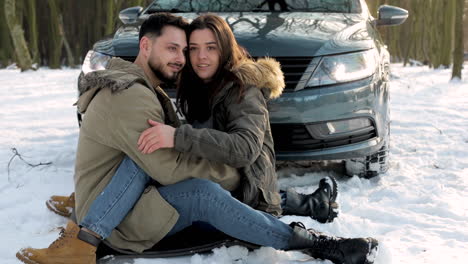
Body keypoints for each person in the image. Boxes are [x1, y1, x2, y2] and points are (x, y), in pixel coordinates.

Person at [17, 13, 378, 264]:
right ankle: (314, 227)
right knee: (184, 179)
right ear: (146, 46)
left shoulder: (239, 88)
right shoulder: (169, 89)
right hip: (168, 198)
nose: (195, 57)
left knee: (215, 189)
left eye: (207, 48)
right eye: (188, 49)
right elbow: (160, 159)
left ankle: (317, 232)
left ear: (225, 49)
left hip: (243, 173)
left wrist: (182, 139)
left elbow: (238, 151)